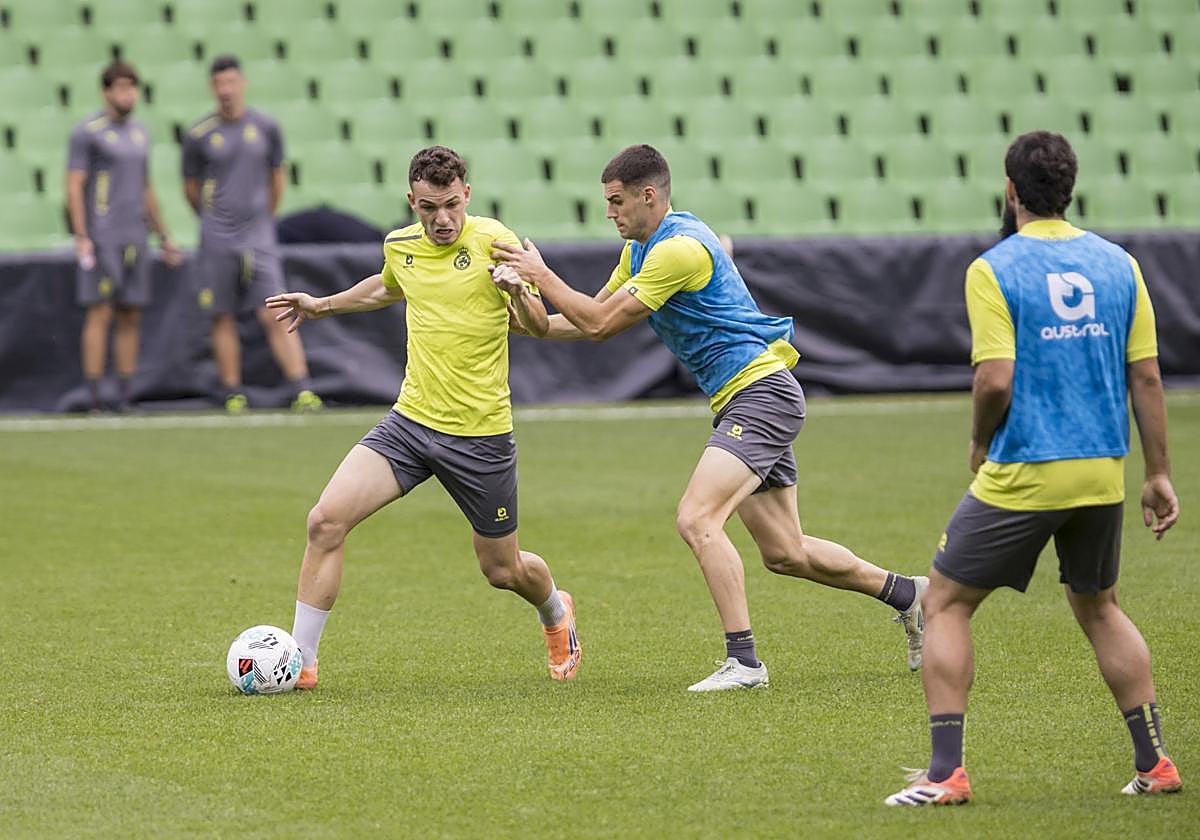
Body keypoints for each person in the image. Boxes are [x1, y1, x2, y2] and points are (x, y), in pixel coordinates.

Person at [492, 144, 925, 692]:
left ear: (649, 195)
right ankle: (912, 596)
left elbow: (599, 323)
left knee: (697, 520)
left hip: (761, 394)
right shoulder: (641, 250)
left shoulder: (678, 251)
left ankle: (744, 663)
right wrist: (519, 300)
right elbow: (575, 324)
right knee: (786, 553)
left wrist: (542, 272)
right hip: (746, 398)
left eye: (617, 201)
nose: (609, 213)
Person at [884, 131, 1182, 806]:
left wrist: (978, 440)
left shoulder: (993, 269)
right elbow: (1148, 378)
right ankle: (1155, 762)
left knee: (945, 601)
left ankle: (945, 774)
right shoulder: (1120, 264)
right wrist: (1158, 473)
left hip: (1027, 468)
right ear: (1069, 189)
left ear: (1010, 189)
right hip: (1101, 470)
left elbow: (994, 377)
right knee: (1100, 607)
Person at [264, 146, 581, 688]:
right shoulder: (401, 244)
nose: (441, 219)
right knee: (325, 521)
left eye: (451, 205)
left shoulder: (493, 241)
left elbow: (533, 325)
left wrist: (515, 294)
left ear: (468, 197)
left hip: (480, 434)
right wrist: (324, 305)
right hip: (410, 424)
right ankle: (302, 663)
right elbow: (387, 286)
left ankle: (556, 611)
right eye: (428, 207)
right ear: (411, 201)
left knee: (502, 570)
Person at [181, 55, 321, 413]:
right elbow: (191, 188)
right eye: (218, 84)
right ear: (212, 88)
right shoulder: (198, 135)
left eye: (231, 82)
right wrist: (215, 219)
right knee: (222, 314)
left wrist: (261, 219)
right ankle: (232, 392)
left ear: (242, 83)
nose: (225, 90)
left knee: (274, 310)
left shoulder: (266, 127)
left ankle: (301, 388)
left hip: (259, 237)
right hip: (217, 239)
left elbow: (277, 180)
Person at [66, 60, 182, 413]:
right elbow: (74, 184)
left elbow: (145, 187)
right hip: (104, 237)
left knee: (131, 313)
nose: (127, 94)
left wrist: (162, 235)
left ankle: (125, 393)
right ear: (106, 92)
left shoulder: (140, 132)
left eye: (132, 87)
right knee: (100, 312)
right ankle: (95, 394)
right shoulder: (88, 132)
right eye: (120, 87)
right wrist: (82, 234)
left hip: (136, 237)